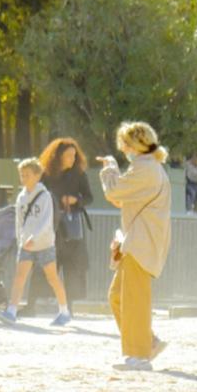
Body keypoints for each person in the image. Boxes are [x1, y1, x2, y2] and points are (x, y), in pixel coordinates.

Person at [100, 121, 172, 371]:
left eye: (124, 143)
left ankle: (138, 355)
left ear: (133, 145)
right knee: (118, 297)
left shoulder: (145, 168)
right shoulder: (150, 167)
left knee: (133, 300)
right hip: (139, 241)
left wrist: (110, 169)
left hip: (141, 242)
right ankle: (148, 343)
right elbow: (124, 199)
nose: (122, 148)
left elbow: (114, 192)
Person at [0, 159, 73, 327]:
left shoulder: (45, 196)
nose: (23, 178)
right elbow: (19, 221)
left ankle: (64, 311)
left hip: (44, 243)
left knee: (52, 277)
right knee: (19, 277)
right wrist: (21, 239)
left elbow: (46, 222)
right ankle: (11, 311)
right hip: (26, 245)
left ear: (38, 175)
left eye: (27, 175)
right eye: (21, 175)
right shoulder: (21, 196)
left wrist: (35, 237)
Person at [35, 138, 93, 307]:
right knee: (46, 263)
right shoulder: (46, 174)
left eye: (74, 155)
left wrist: (76, 200)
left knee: (72, 266)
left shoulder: (79, 174)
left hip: (71, 225)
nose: (72, 159)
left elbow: (89, 197)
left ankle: (70, 306)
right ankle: (35, 302)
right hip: (50, 225)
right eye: (68, 155)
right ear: (58, 156)